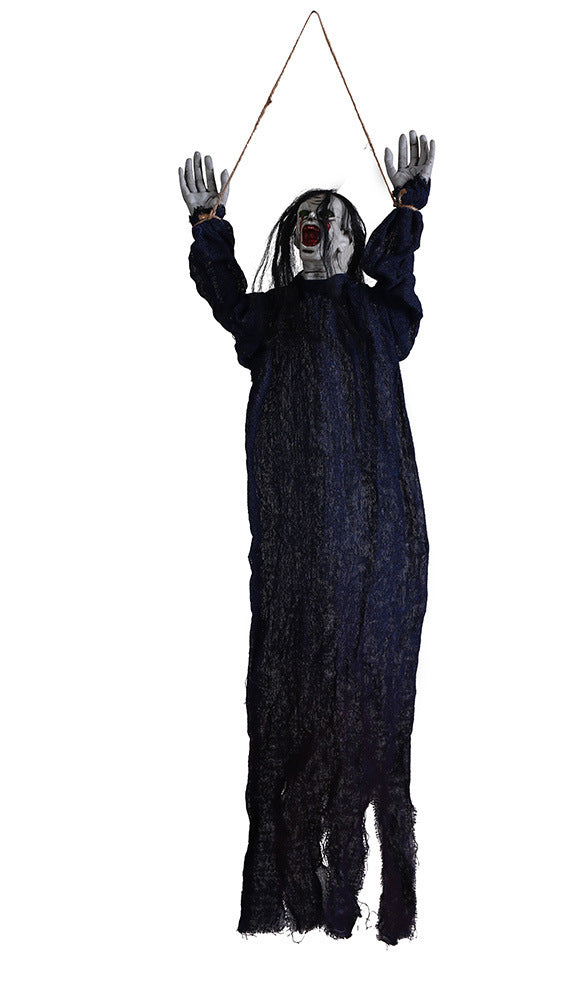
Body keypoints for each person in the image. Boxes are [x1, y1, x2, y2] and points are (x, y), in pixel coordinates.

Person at [178, 131, 435, 944]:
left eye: (331, 219)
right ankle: (292, 887)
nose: (315, 229)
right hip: (295, 547)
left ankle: (362, 892)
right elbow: (227, 296)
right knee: (292, 696)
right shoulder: (272, 318)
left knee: (366, 693)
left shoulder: (379, 317)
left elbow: (398, 283)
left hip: (377, 543)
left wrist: (407, 210)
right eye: (304, 221)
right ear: (292, 241)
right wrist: (209, 227)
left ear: (353, 240)